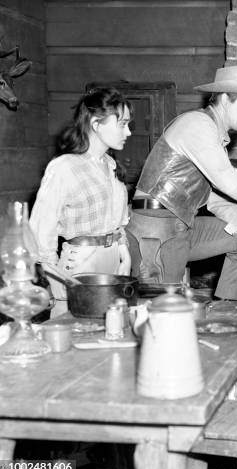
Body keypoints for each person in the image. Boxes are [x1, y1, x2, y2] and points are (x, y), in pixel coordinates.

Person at [126, 65, 237, 299]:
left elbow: (210, 196)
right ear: (225, 98)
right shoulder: (197, 125)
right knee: (161, 311)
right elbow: (227, 179)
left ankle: (229, 315)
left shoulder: (213, 134)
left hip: (181, 227)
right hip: (155, 231)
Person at [30, 87, 133, 316]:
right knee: (73, 334)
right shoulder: (65, 167)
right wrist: (55, 277)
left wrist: (124, 257)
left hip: (114, 262)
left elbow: (119, 223)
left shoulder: (111, 165)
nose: (128, 132)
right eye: (122, 124)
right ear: (96, 124)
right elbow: (40, 229)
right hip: (79, 266)